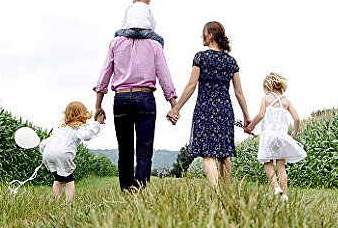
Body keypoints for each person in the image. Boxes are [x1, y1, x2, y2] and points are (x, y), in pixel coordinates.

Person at [166, 21, 250, 189]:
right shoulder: (231, 62)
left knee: (208, 154)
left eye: (203, 33)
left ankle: (217, 193)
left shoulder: (201, 57)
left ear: (210, 35)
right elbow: (239, 92)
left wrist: (176, 108)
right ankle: (227, 193)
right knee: (224, 154)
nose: (201, 36)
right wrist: (247, 117)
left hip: (205, 108)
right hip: (225, 109)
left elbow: (191, 85)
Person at [93, 35, 177, 191]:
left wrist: (98, 104)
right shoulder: (154, 45)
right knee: (144, 149)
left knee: (124, 149)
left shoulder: (116, 43)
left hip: (121, 98)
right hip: (145, 98)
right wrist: (173, 105)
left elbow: (105, 73)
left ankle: (126, 191)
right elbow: (164, 74)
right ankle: (140, 191)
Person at [244, 73, 307, 201]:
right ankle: (285, 195)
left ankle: (276, 187)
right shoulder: (286, 101)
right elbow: (297, 119)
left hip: (268, 136)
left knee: (267, 162)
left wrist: (251, 126)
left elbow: (261, 115)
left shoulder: (265, 99)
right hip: (282, 137)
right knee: (281, 165)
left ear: (268, 86)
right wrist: (294, 133)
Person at [39, 101, 105, 202]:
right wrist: (97, 123)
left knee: (58, 179)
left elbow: (45, 143)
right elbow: (86, 135)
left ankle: (56, 202)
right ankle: (68, 203)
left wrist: (42, 149)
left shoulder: (60, 128)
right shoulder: (78, 127)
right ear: (82, 114)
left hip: (48, 153)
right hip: (63, 154)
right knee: (69, 180)